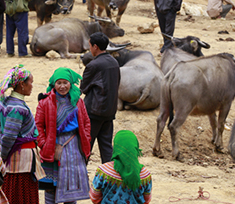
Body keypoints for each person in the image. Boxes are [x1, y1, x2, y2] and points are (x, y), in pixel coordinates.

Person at [36, 67, 92, 204]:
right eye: (59, 83)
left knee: (71, 186)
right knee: (51, 188)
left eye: (65, 83)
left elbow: (86, 123)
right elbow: (38, 126)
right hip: (52, 148)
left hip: (73, 147)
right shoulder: (45, 102)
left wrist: (86, 139)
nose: (62, 86)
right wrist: (43, 144)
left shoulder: (78, 101)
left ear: (70, 83)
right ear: (53, 84)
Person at [0, 65, 45, 203]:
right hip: (20, 160)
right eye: (31, 82)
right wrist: (3, 155)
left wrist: (1, 147)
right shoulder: (17, 108)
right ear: (22, 84)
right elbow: (10, 136)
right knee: (21, 195)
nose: (32, 86)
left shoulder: (5, 102)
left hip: (13, 156)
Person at [80, 32, 120, 163]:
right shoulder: (114, 62)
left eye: (90, 45)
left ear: (95, 47)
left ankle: (80, 178)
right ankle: (110, 178)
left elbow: (83, 88)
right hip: (109, 111)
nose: (89, 48)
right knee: (106, 147)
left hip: (93, 112)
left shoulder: (93, 65)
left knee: (85, 147)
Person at [89, 130, 152, 204]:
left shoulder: (103, 171)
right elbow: (146, 200)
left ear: (115, 147)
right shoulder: (145, 174)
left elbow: (94, 197)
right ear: (136, 148)